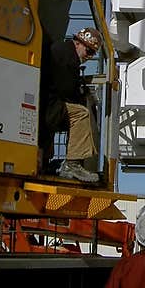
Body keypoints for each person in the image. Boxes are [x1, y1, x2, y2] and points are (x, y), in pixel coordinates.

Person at [39, 26, 103, 183]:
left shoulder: (59, 50)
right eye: (89, 52)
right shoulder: (68, 57)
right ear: (78, 43)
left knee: (51, 126)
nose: (89, 57)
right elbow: (67, 89)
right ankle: (72, 164)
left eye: (93, 54)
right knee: (81, 114)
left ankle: (44, 162)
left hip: (43, 102)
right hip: (49, 104)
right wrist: (80, 93)